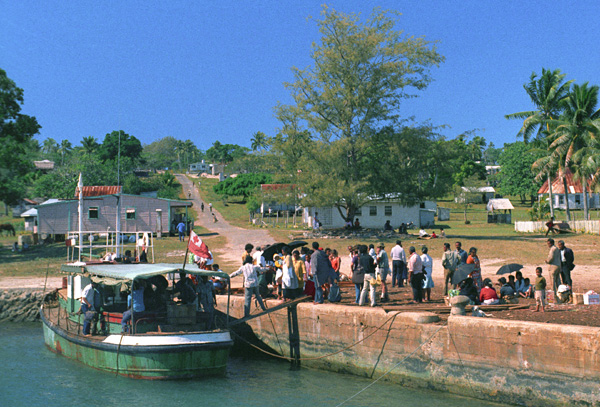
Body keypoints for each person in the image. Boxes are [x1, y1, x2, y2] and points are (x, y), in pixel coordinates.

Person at [545, 238, 562, 303]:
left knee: (552, 282)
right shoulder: (557, 248)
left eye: (549, 243)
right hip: (558, 266)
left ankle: (554, 298)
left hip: (553, 267)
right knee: (558, 281)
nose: (548, 245)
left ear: (551, 243)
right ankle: (560, 295)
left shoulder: (552, 249)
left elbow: (551, 258)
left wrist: (547, 261)